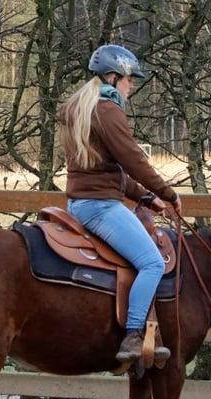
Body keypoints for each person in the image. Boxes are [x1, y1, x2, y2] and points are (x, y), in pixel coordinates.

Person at [58, 44, 183, 364]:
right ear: (113, 77)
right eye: (129, 80)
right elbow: (133, 160)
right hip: (101, 207)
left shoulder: (80, 109)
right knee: (152, 262)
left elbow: (107, 170)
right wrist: (168, 193)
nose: (131, 86)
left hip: (80, 204)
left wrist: (144, 197)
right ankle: (133, 334)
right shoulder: (107, 110)